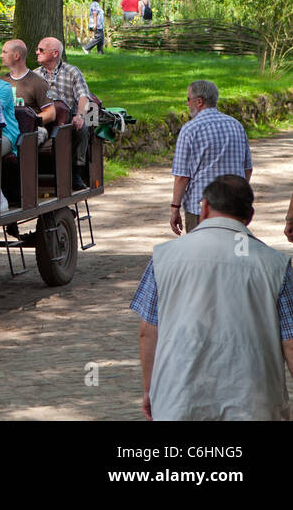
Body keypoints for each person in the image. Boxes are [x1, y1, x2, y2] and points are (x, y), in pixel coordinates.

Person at [131, 175, 293, 421]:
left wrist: (149, 390)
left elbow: (148, 331)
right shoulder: (276, 265)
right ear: (250, 216)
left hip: (178, 401)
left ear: (204, 207)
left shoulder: (163, 258)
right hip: (254, 404)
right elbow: (290, 343)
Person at [169, 80, 252, 235]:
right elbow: (247, 169)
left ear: (199, 101)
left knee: (200, 256)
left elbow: (182, 177)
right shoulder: (236, 125)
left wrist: (175, 208)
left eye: (188, 99)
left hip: (201, 209)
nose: (187, 104)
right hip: (234, 208)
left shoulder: (190, 130)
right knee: (232, 254)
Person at [35, 37, 94, 188]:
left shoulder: (72, 71)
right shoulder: (35, 75)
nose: (36, 52)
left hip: (68, 119)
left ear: (54, 53)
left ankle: (76, 171)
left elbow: (83, 96)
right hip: (45, 119)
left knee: (82, 129)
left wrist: (80, 116)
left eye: (41, 50)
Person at [0, 39, 55, 140]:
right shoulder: (1, 81)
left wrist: (28, 122)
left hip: (30, 129)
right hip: (7, 128)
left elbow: (51, 113)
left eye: (4, 52)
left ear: (16, 56)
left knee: (30, 138)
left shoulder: (38, 82)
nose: (1, 55)